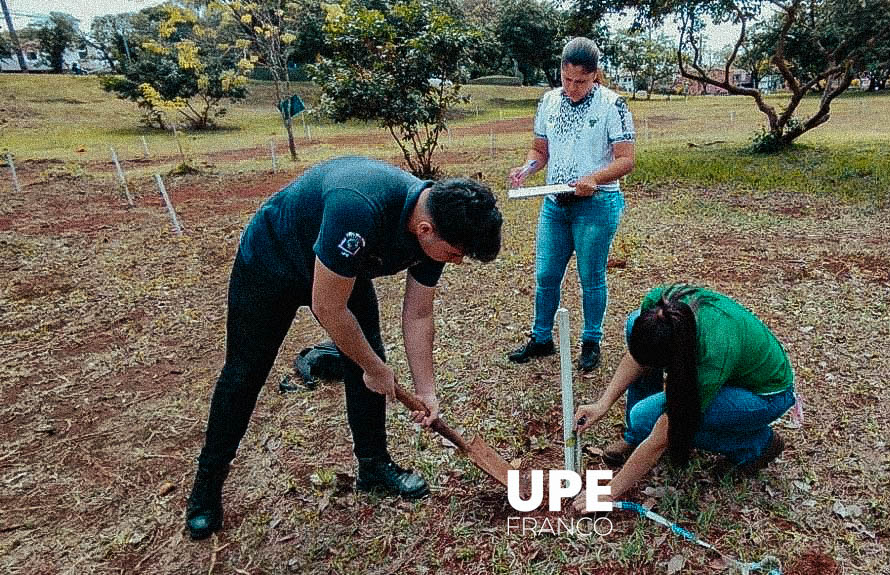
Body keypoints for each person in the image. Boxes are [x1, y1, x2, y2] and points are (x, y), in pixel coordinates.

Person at [185, 156, 503, 540]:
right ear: (425, 229)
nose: (455, 260)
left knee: (367, 362)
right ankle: (207, 485)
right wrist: (374, 367)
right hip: (274, 261)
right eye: (454, 254)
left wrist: (426, 389)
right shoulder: (359, 205)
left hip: (343, 271)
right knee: (244, 373)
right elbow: (327, 307)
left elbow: (418, 313)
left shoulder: (440, 224)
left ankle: (373, 466)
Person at [570, 284, 797, 513]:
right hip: (728, 368)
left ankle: (758, 444)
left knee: (646, 419)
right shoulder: (660, 307)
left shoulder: (711, 357)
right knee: (633, 323)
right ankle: (636, 438)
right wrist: (603, 403)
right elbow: (639, 353)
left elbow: (665, 434)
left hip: (765, 396)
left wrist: (608, 492)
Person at [506, 36, 635, 373]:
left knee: (591, 276)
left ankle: (591, 341)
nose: (573, 87)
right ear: (559, 72)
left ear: (595, 76)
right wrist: (527, 168)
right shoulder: (548, 102)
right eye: (566, 79)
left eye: (581, 81)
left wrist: (596, 178)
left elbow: (626, 160)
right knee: (546, 274)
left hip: (596, 204)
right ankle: (541, 337)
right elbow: (540, 151)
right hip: (555, 202)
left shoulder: (613, 105)